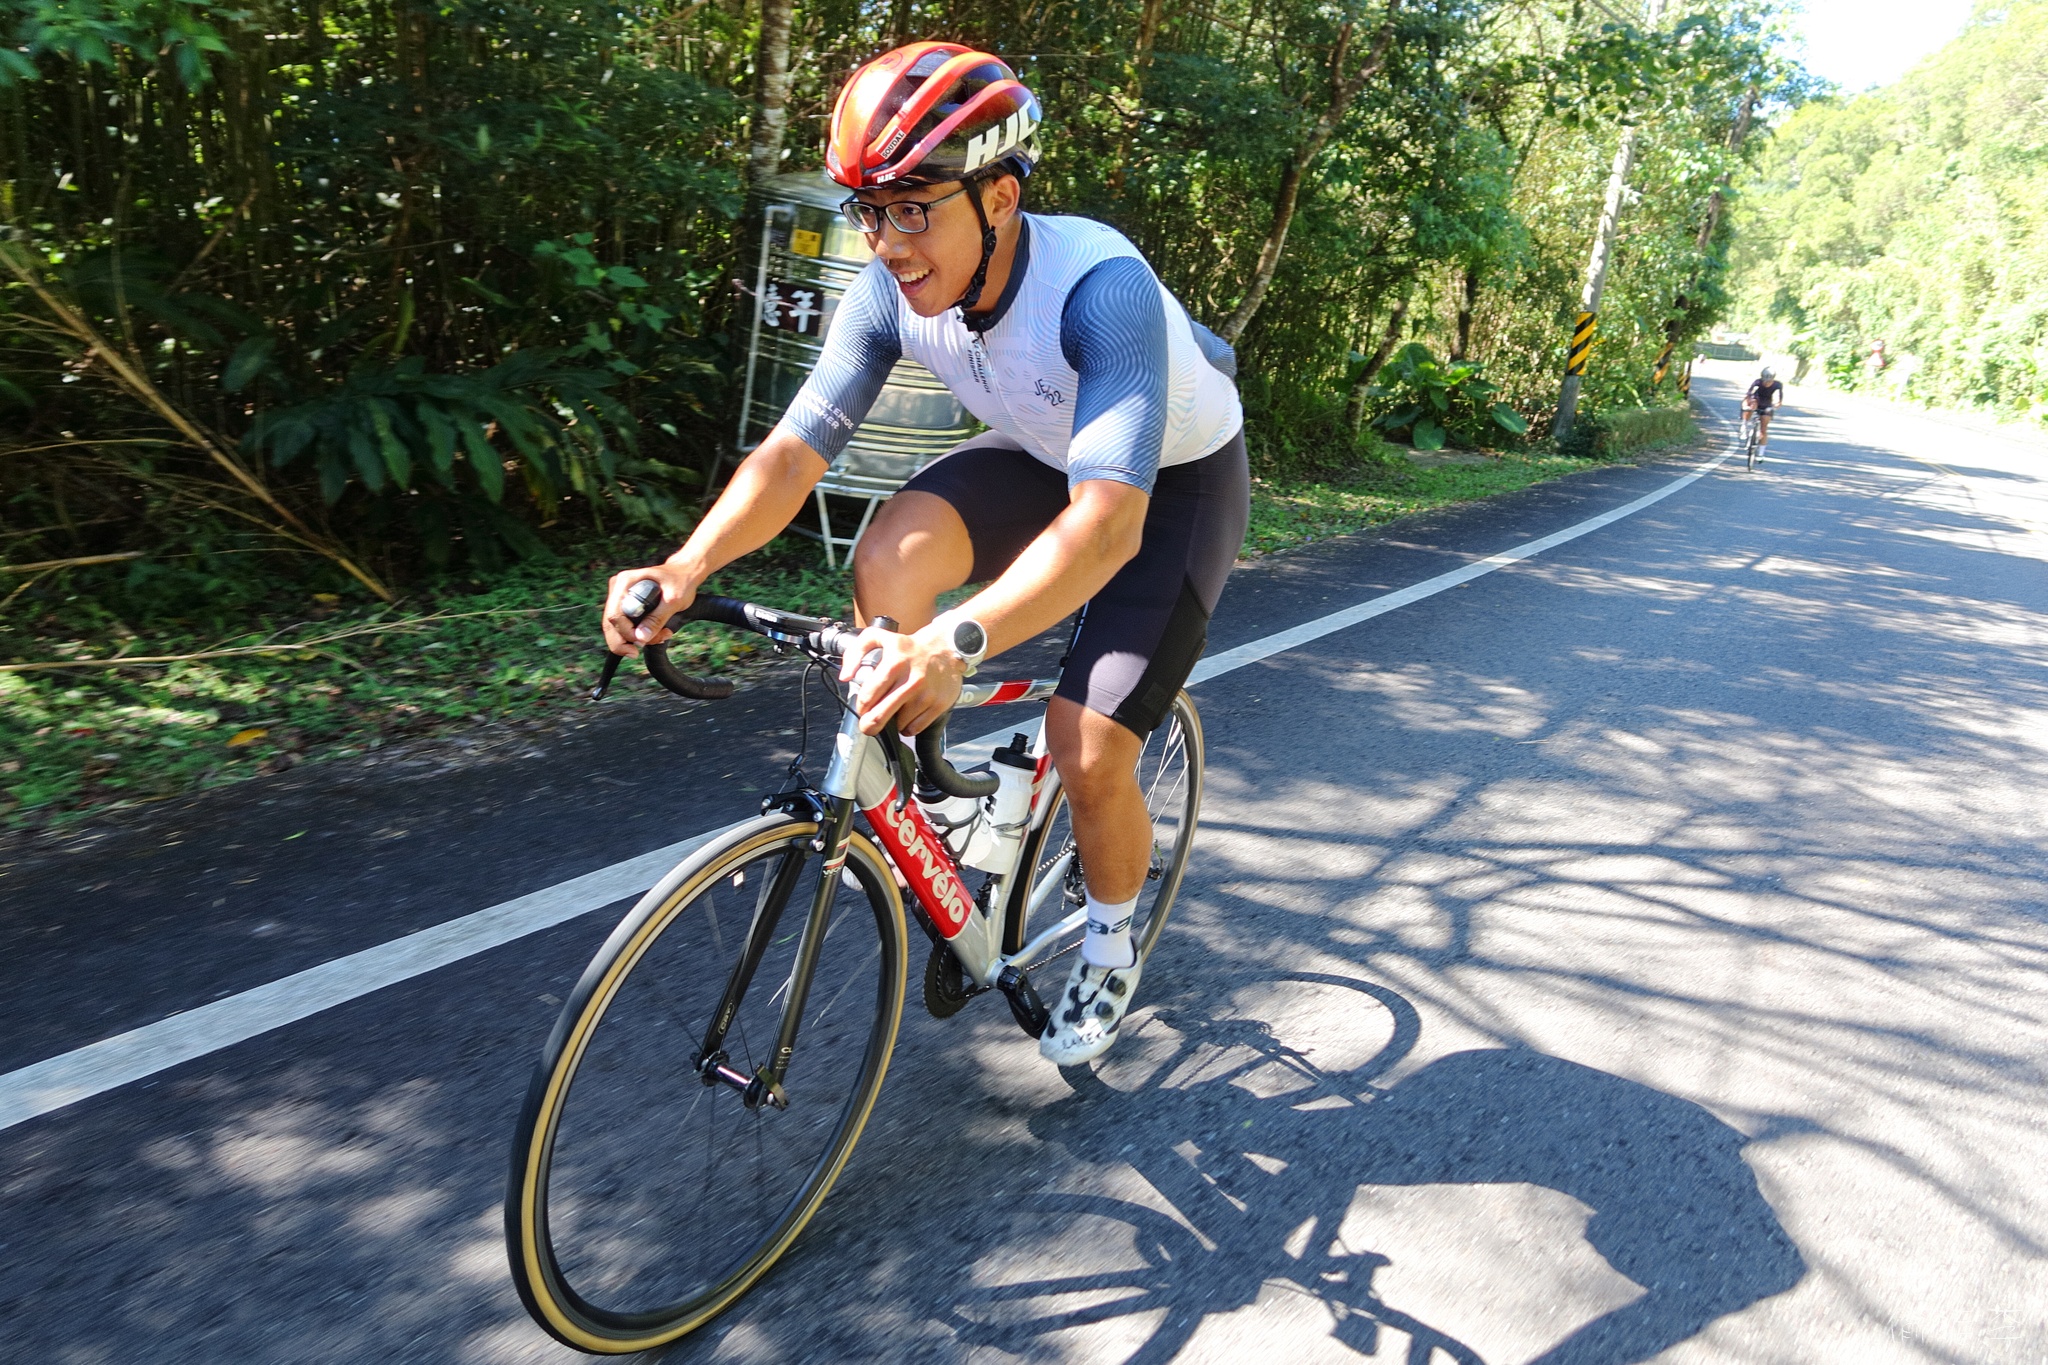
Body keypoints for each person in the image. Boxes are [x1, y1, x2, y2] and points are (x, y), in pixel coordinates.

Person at [600, 42, 1249, 1065]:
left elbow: (1108, 526)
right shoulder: (886, 292)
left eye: (913, 209)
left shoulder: (1098, 290)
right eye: (869, 211)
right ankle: (931, 797)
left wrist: (956, 639)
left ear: (999, 198)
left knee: (1086, 745)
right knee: (890, 555)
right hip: (1046, 454)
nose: (888, 243)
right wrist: (686, 567)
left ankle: (1111, 942)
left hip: (1170, 487)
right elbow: (794, 451)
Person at [1744, 367, 1785, 454]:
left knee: (1763, 428)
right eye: (1765, 381)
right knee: (1750, 405)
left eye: (1769, 381)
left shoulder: (1777, 385)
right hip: (1756, 401)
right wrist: (1748, 402)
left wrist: (1776, 405)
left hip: (1767, 404)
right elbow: (1749, 393)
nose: (1766, 383)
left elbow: (1779, 398)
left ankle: (1761, 453)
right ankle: (1744, 425)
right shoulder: (1757, 382)